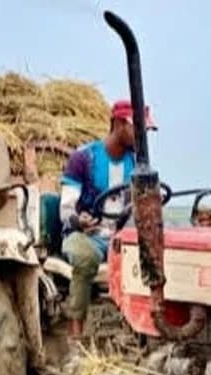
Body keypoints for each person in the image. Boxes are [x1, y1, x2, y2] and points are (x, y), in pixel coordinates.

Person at [59, 99, 157, 339]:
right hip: (84, 236)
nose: (142, 138)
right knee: (85, 258)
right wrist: (78, 220)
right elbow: (65, 209)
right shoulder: (83, 159)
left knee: (153, 259)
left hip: (117, 237)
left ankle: (141, 330)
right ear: (118, 125)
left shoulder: (136, 164)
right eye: (138, 130)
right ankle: (75, 332)